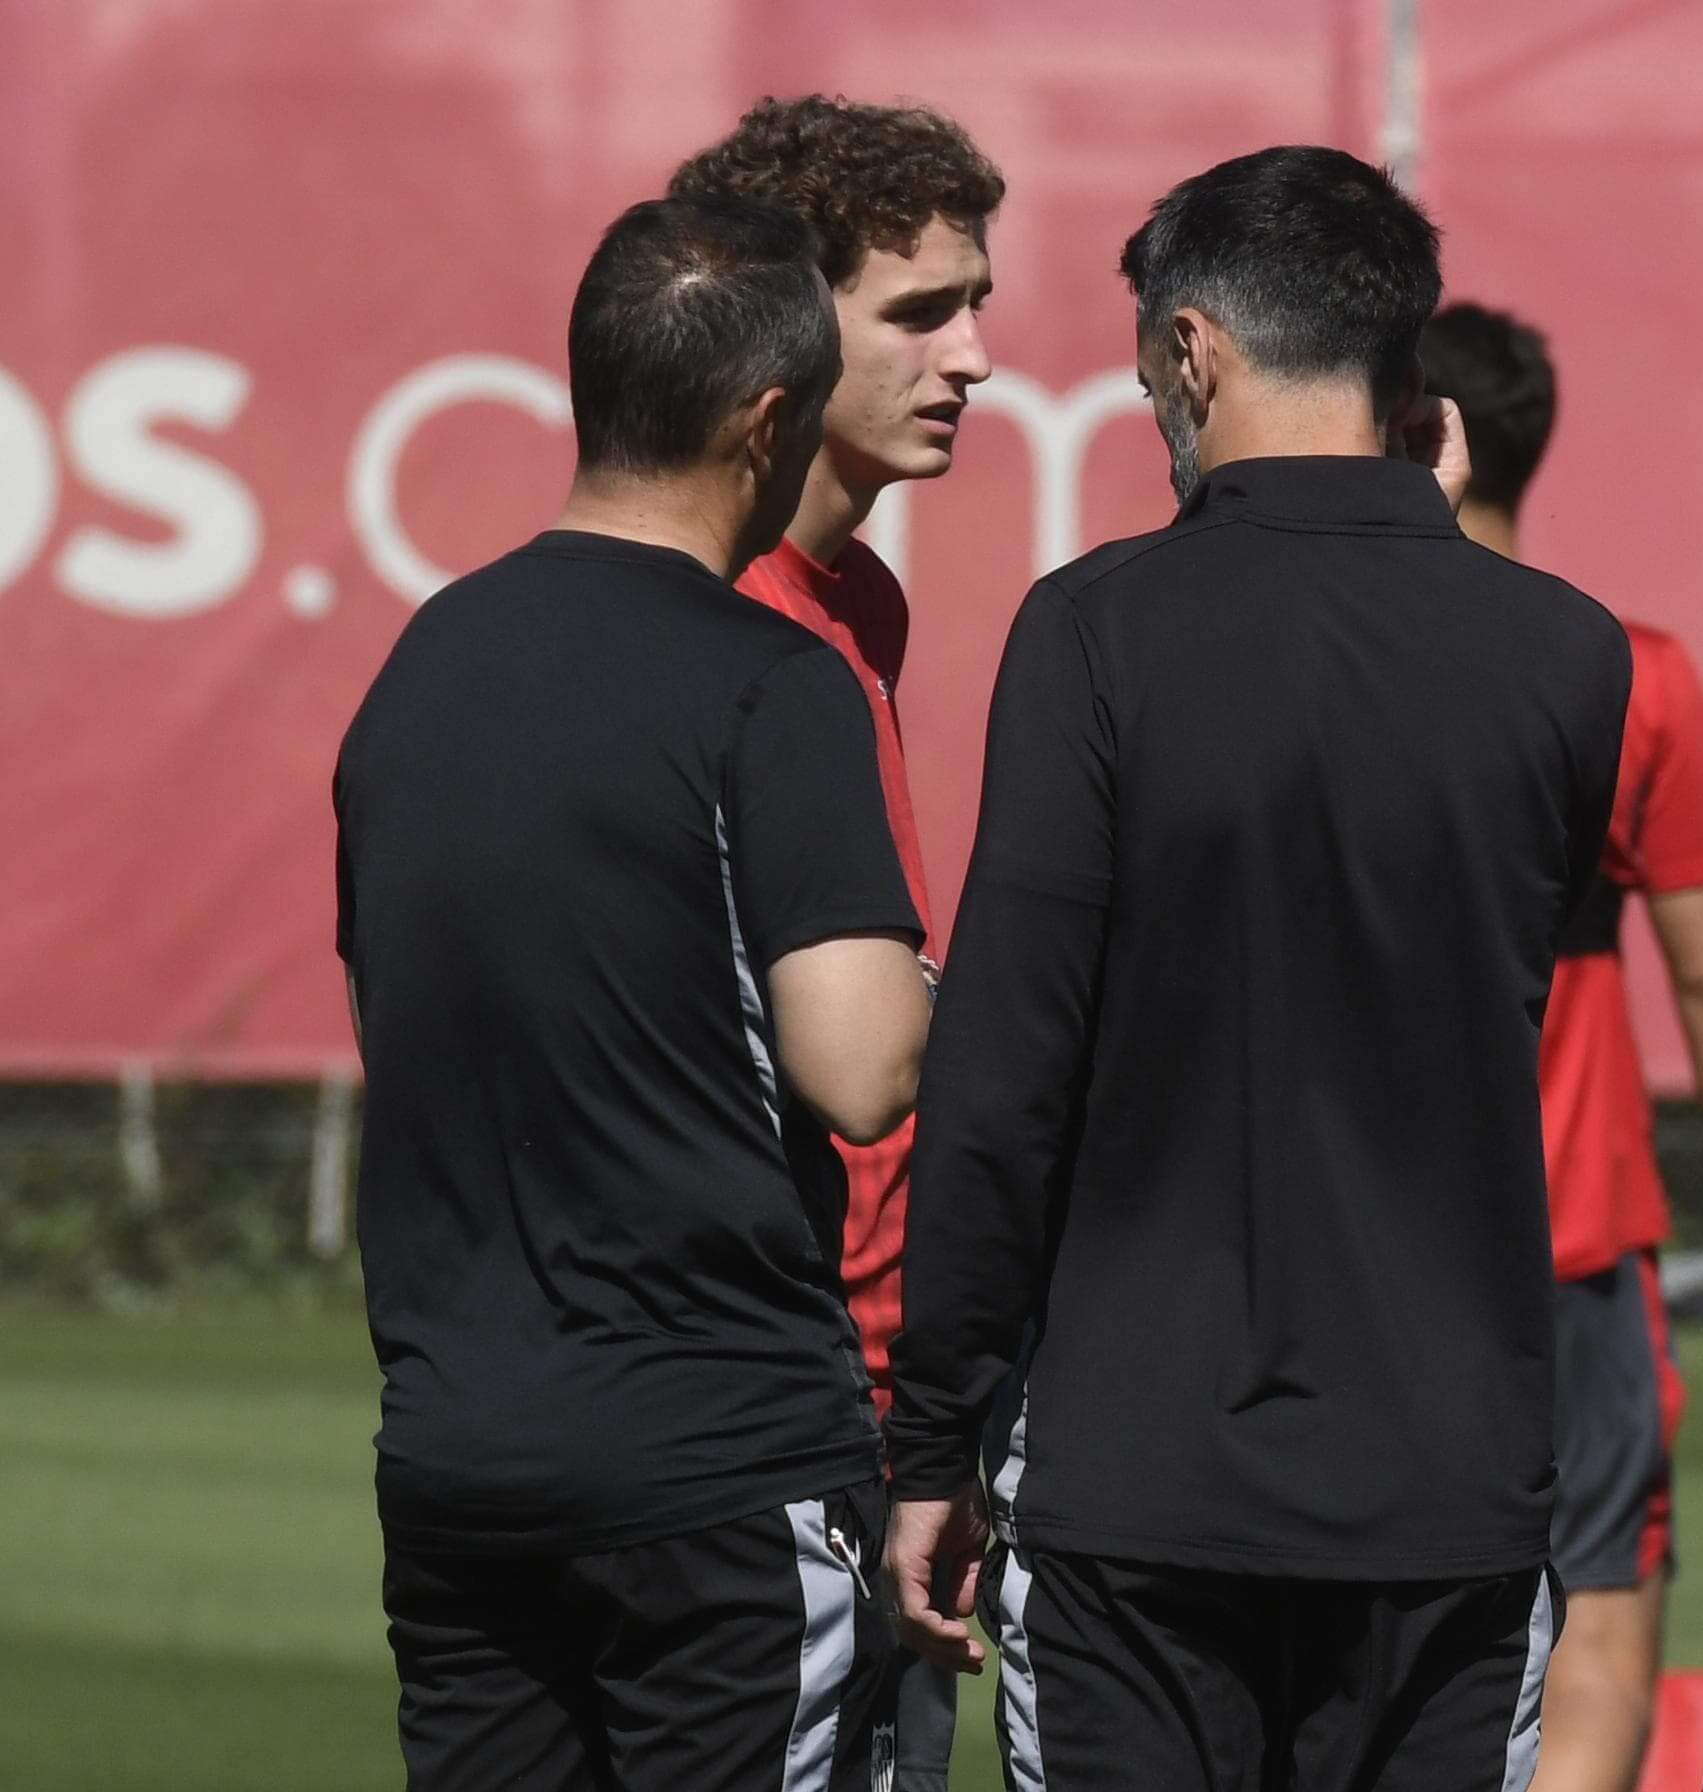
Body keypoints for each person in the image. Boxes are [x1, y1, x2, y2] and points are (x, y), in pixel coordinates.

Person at [882, 146, 1635, 1791]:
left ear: (1193, 351)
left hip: (1138, 1489)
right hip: (1450, 1479)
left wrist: (932, 1431)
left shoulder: (1091, 630)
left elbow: (1007, 1070)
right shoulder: (1568, 655)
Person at [334, 193, 934, 1792]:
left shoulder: (425, 661)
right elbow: (863, 1068)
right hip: (713, 1468)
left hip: (460, 1456)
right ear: (762, 422)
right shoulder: (767, 679)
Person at [670, 95, 1004, 1792]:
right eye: (924, 311)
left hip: (889, 1380)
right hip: (765, 1391)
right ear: (792, 331)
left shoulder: (857, 595)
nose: (977, 357)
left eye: (980, 306)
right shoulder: (704, 621)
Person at [1419, 301, 1703, 1792]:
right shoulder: (1631, 673)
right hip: (1572, 1240)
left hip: (1351, 1239)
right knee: (1601, 1626)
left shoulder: (1319, 654)